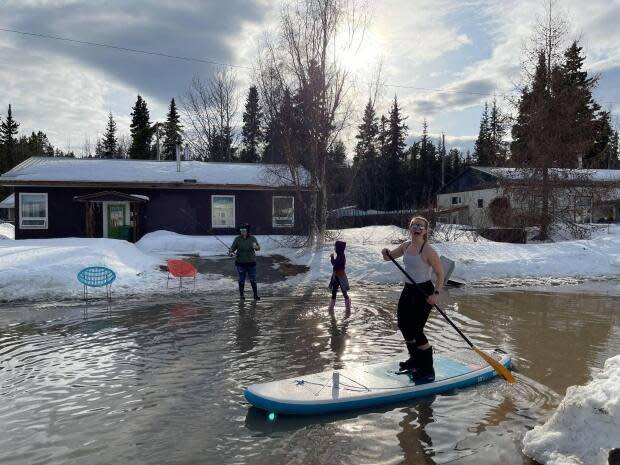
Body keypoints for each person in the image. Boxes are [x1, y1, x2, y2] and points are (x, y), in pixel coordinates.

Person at [381, 216, 444, 382]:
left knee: (416, 330)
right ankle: (415, 359)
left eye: (421, 226)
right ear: (410, 228)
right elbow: (389, 257)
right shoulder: (406, 246)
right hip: (408, 290)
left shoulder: (428, 250)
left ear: (425, 231)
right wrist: (385, 251)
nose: (417, 228)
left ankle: (428, 368)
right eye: (414, 225)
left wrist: (435, 294)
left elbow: (440, 274)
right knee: (403, 325)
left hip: (424, 292)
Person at [229, 223, 261, 300]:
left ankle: (255, 295)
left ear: (247, 231)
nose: (242, 232)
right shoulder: (237, 239)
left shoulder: (252, 238)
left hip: (251, 262)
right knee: (241, 279)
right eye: (241, 231)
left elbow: (258, 248)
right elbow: (232, 248)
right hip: (240, 263)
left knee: (252, 279)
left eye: (244, 230)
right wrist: (231, 252)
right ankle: (242, 295)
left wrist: (257, 247)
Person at [328, 240, 350, 311]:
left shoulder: (341, 256)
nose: (334, 248)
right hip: (336, 276)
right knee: (334, 292)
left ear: (339, 248)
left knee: (344, 292)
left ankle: (348, 305)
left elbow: (335, 264)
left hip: (341, 277)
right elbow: (335, 264)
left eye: (335, 247)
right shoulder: (339, 255)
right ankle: (331, 308)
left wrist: (332, 258)